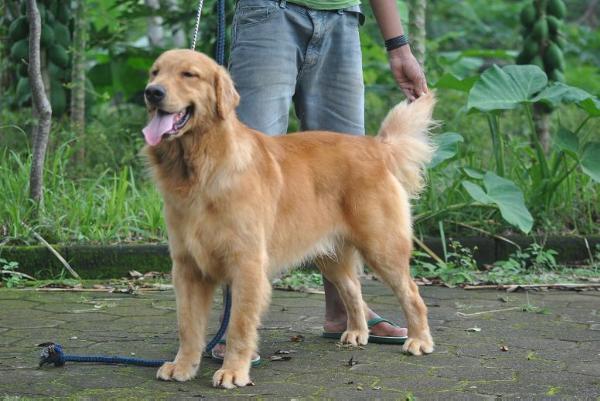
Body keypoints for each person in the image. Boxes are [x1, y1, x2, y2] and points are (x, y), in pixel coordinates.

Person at [212, 0, 429, 362]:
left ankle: (344, 312)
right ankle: (234, 329)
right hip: (269, 13)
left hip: (342, 18)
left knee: (351, 178)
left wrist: (398, 44)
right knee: (245, 179)